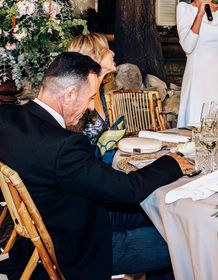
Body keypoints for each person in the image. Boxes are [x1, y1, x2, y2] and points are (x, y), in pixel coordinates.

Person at [0, 52, 194, 279]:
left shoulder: (7, 117)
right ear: (70, 94)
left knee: (161, 214)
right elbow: (127, 190)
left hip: (58, 225)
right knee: (184, 241)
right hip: (79, 247)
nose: (92, 107)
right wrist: (170, 162)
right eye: (91, 97)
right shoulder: (62, 146)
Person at [66, 32, 117, 145]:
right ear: (94, 57)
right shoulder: (79, 97)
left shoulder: (101, 90)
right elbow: (72, 144)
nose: (112, 53)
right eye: (107, 49)